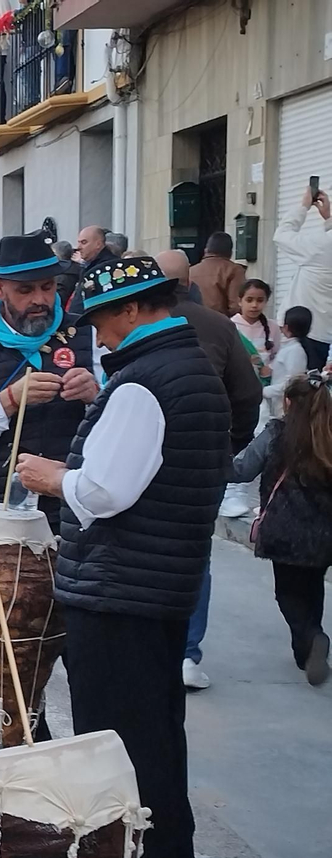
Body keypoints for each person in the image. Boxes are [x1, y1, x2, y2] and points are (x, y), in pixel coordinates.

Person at [15, 255, 230, 858]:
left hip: (121, 585)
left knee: (118, 737)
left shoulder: (144, 384)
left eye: (102, 321)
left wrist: (55, 478)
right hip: (157, 579)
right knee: (155, 730)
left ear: (134, 311)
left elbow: (107, 491)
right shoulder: (186, 368)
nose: (97, 336)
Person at [153, 249, 264, 684]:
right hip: (204, 461)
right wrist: (229, 442)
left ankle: (156, 643)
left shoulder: (135, 322)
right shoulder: (219, 326)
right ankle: (186, 652)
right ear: (191, 284)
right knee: (195, 553)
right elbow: (249, 395)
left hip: (145, 454)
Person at [0, 232, 99, 532]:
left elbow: (120, 420)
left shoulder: (89, 336)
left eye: (48, 287)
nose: (39, 299)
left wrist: (95, 396)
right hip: (1, 513)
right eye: (25, 290)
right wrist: (8, 401)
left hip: (78, 509)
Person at [230, 370, 332, 686]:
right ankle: (306, 650)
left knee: (287, 593)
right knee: (312, 586)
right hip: (325, 533)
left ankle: (312, 638)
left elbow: (243, 469)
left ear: (288, 402)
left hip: (284, 530)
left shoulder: (277, 433)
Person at [272, 184, 332, 369]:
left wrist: (303, 206)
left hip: (307, 331)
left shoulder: (321, 245)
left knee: (300, 389)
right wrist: (328, 220)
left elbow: (281, 236)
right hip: (327, 335)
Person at [265, 306, 314, 421]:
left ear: (286, 327)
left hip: (286, 405)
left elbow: (293, 383)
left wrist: (265, 391)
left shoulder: (296, 351)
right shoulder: (288, 347)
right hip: (278, 402)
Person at [233, 278, 281, 387]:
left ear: (266, 301)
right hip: (239, 382)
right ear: (240, 301)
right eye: (249, 300)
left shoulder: (273, 327)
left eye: (260, 300)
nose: (254, 305)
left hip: (265, 384)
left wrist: (270, 367)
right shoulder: (231, 325)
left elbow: (279, 354)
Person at [191, 232, 246, 317]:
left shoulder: (191, 271)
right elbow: (236, 305)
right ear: (230, 252)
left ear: (206, 250)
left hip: (193, 320)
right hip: (221, 322)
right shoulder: (234, 270)